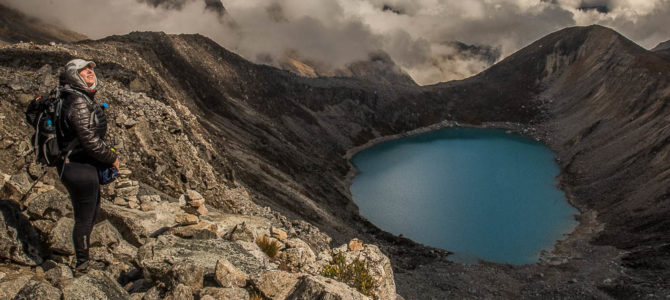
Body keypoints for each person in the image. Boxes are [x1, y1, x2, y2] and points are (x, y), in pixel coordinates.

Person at [57, 58, 119, 274]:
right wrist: (111, 157)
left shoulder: (75, 97)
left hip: (80, 165)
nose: (90, 72)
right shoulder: (78, 102)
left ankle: (84, 259)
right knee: (84, 217)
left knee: (91, 212)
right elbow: (90, 141)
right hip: (77, 166)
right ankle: (82, 265)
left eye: (91, 69)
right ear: (74, 75)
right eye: (84, 71)